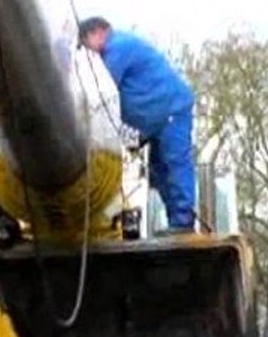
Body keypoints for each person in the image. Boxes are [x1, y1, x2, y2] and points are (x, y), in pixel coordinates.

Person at [78, 16, 196, 234]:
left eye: (86, 43)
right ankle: (178, 219)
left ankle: (183, 220)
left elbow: (101, 90)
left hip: (170, 111)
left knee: (175, 163)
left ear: (97, 32)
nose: (87, 51)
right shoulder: (119, 47)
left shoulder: (117, 48)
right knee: (159, 171)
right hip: (158, 118)